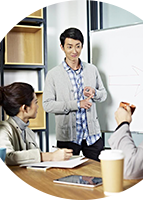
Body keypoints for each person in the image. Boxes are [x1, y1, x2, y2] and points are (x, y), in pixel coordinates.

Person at [43, 27, 107, 161]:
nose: (74, 51)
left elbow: (104, 95)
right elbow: (47, 105)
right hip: (68, 137)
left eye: (78, 46)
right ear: (62, 47)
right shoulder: (53, 74)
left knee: (98, 173)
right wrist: (77, 104)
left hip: (92, 136)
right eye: (70, 46)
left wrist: (94, 93)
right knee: (67, 176)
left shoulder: (92, 69)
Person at [0, 82, 73, 165]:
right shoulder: (3, 129)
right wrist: (50, 156)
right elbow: (6, 157)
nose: (38, 106)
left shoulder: (28, 131)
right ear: (25, 108)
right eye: (36, 102)